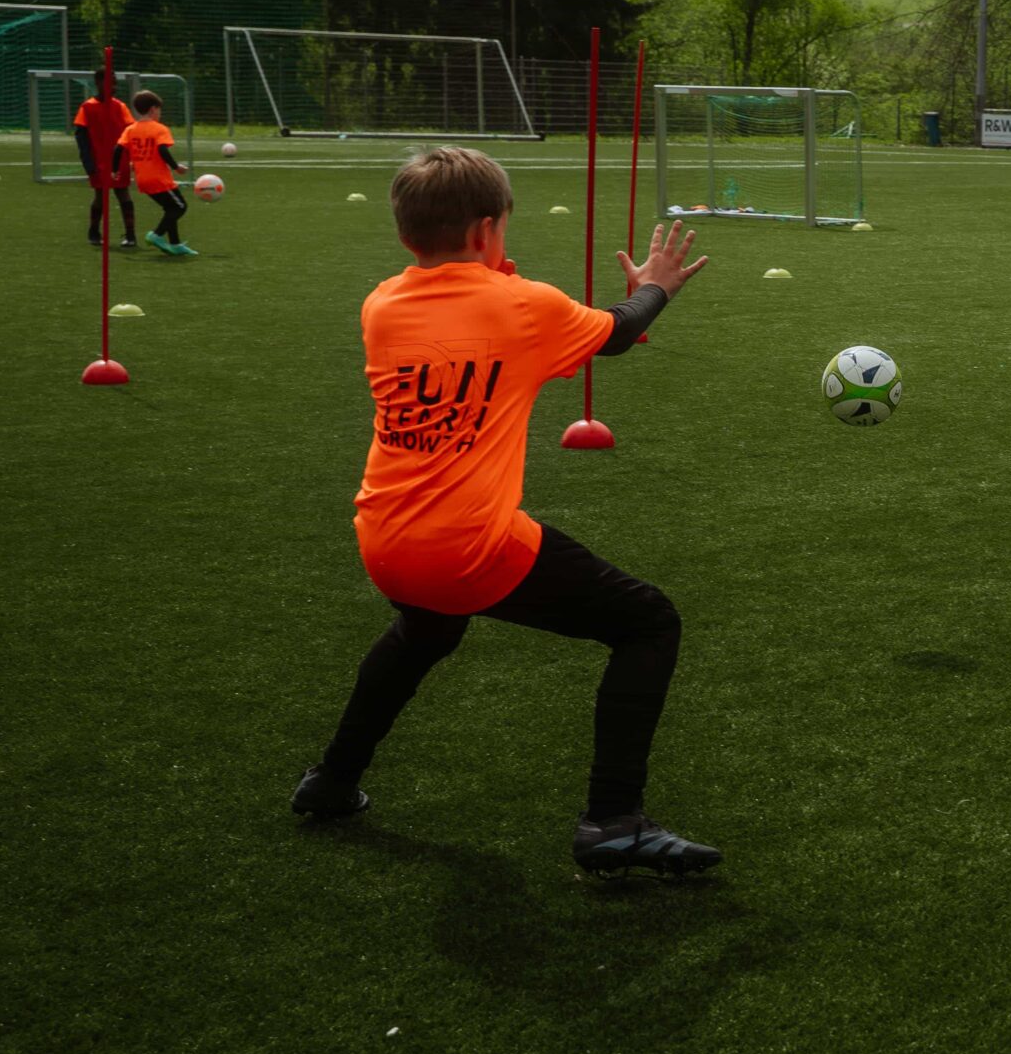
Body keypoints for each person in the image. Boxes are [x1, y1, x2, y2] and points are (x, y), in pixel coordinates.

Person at [291, 146, 721, 876]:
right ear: (488, 229)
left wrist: (496, 274)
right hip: (468, 547)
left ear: (405, 233)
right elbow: (617, 332)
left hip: (384, 539)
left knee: (426, 629)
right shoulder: (525, 306)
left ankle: (332, 779)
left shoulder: (381, 304)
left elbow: (468, 321)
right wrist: (656, 285)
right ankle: (613, 820)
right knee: (648, 621)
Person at [116, 91, 192, 256]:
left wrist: (114, 170)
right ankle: (156, 234)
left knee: (170, 208)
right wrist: (176, 167)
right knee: (180, 206)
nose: (159, 113)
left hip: (142, 180)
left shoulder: (130, 129)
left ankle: (175, 244)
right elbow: (162, 149)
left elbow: (118, 149)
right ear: (153, 109)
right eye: (159, 110)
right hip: (159, 179)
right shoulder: (159, 129)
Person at [71, 72, 135, 250]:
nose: (113, 87)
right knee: (100, 195)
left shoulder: (120, 106)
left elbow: (130, 132)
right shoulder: (87, 107)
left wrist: (133, 158)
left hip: (119, 159)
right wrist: (88, 163)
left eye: (115, 83)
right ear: (98, 83)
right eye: (109, 83)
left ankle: (130, 235)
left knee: (123, 193)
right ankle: (94, 232)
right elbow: (81, 139)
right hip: (98, 160)